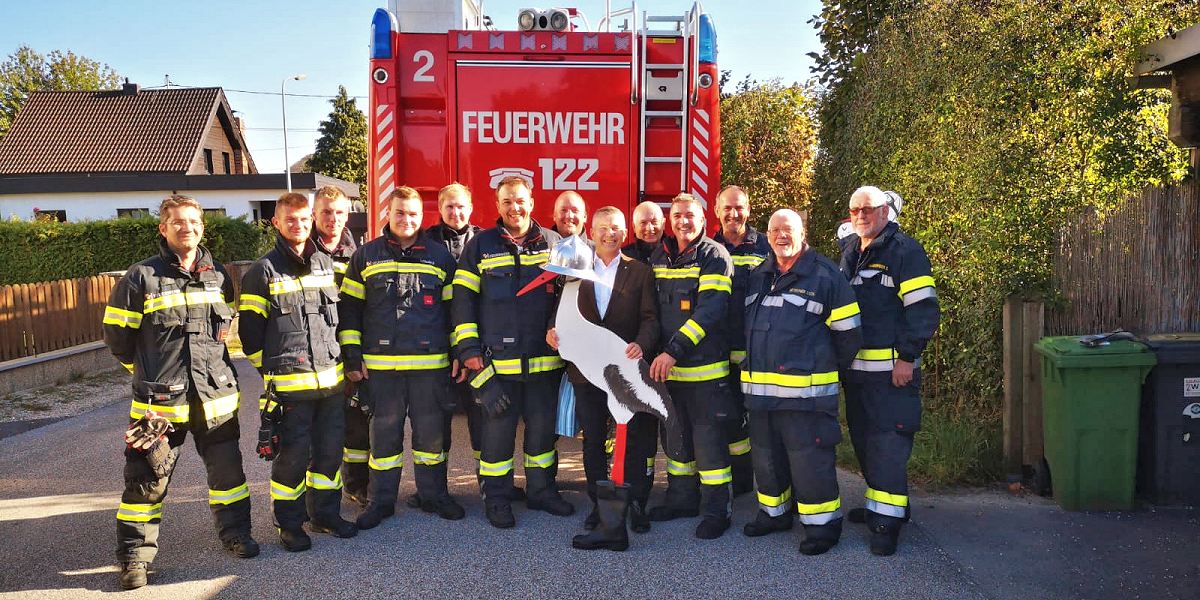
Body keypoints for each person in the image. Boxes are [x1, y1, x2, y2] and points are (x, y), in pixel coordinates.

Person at [103, 195, 257, 590]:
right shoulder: (140, 278)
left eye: (193, 221)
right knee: (146, 482)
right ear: (163, 228)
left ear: (202, 227)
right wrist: (149, 375)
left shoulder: (219, 275)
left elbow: (222, 334)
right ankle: (135, 559)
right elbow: (119, 342)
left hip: (214, 401)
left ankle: (236, 535)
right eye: (178, 222)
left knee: (229, 478)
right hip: (160, 407)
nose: (186, 227)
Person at [338, 187, 463, 528]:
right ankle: (381, 502)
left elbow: (455, 310)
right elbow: (350, 311)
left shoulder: (440, 257)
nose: (406, 219)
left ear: (422, 218)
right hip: (382, 370)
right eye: (399, 213)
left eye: (412, 214)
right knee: (384, 440)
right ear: (387, 215)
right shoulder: (365, 256)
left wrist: (457, 351)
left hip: (430, 368)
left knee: (430, 439)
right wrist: (352, 356)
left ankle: (433, 495)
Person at [239, 192, 358, 552]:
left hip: (331, 385)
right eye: (291, 219)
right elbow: (249, 338)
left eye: (305, 219)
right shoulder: (262, 272)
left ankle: (325, 514)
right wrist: (273, 375)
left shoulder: (327, 263)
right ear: (276, 222)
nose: (299, 225)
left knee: (329, 454)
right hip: (291, 390)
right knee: (291, 460)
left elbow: (340, 322)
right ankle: (290, 524)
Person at [451, 176, 572, 528]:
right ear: (497, 205)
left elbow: (569, 298)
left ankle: (542, 491)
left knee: (541, 435)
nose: (514, 207)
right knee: (497, 436)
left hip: (544, 365)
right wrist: (470, 351)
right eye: (507, 201)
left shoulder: (554, 244)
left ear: (532, 202)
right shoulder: (480, 246)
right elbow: (463, 302)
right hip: (497, 365)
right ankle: (498, 498)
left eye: (520, 200)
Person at [741, 209, 862, 555]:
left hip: (806, 397)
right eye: (775, 229)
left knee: (810, 463)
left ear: (803, 233)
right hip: (761, 398)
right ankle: (774, 514)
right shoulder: (758, 276)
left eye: (788, 229)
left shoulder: (825, 276)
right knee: (767, 460)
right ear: (766, 235)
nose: (781, 235)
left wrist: (819, 369)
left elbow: (849, 335)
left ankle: (822, 527)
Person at [546, 206, 660, 546]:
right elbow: (559, 313)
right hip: (585, 371)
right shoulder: (574, 270)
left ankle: (635, 503)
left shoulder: (640, 271)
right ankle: (599, 505)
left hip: (625, 371)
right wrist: (551, 331)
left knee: (636, 439)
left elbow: (652, 318)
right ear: (590, 232)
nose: (609, 233)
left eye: (616, 228)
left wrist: (642, 343)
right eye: (602, 228)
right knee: (593, 439)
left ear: (625, 233)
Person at [838, 185, 939, 556]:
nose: (861, 215)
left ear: (884, 212)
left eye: (869, 209)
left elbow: (923, 309)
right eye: (855, 210)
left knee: (888, 447)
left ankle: (886, 525)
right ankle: (884, 507)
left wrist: (908, 358)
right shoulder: (851, 251)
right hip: (858, 374)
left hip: (892, 374)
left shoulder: (905, 252)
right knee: (865, 444)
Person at [646, 193, 736, 539]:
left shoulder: (714, 255)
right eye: (678, 216)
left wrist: (673, 351)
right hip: (669, 372)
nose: (683, 221)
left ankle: (717, 510)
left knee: (708, 442)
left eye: (690, 216)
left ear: (703, 219)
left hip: (704, 372)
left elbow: (709, 312)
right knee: (676, 440)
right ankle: (682, 498)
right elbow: (651, 309)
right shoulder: (662, 255)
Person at [309, 185, 368, 506]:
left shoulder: (360, 255)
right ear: (315, 214)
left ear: (348, 215)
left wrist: (357, 357)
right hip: (312, 357)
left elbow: (363, 310)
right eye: (326, 212)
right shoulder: (302, 254)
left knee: (357, 428)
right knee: (318, 430)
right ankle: (317, 497)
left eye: (339, 212)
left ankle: (357, 486)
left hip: (348, 352)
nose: (333, 218)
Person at [712, 185, 771, 497]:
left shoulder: (765, 246)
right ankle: (739, 482)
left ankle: (756, 481)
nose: (733, 214)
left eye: (740, 208)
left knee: (759, 419)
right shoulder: (707, 247)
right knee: (728, 415)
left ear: (748, 210)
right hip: (718, 350)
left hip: (754, 349)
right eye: (727, 208)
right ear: (716, 210)